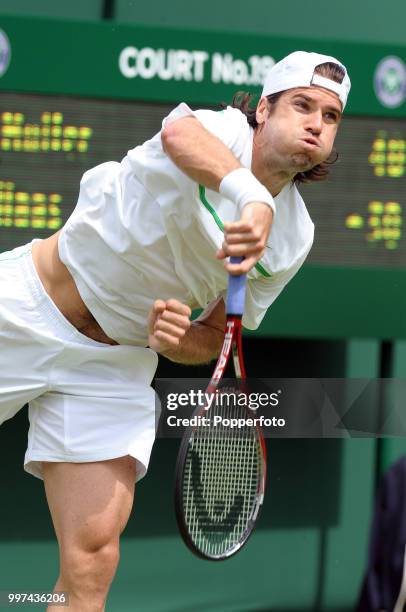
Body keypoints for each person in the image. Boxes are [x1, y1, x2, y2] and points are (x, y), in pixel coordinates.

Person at [0, 50, 350, 610]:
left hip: (111, 368)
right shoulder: (223, 132)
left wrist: (177, 338)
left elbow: (218, 336)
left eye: (329, 117)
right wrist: (252, 195)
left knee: (93, 560)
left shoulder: (295, 237)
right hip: (23, 308)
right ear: (263, 110)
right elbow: (177, 133)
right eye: (301, 105)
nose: (315, 123)